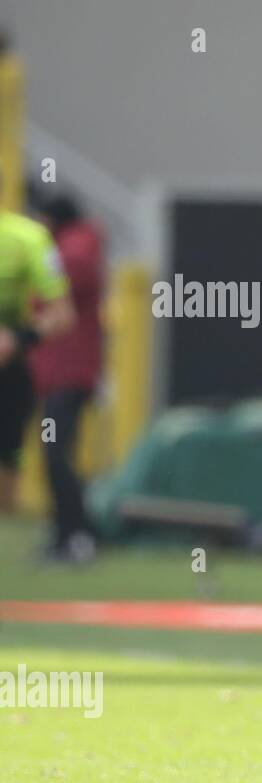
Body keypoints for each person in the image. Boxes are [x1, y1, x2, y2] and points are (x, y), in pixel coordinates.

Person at [27, 192, 104, 561]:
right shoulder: (69, 249)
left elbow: (49, 286)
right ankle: (67, 533)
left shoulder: (74, 252)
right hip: (60, 374)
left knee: (57, 455)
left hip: (69, 375)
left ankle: (76, 535)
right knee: (55, 455)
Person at [0, 175, 75, 514]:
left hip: (8, 372)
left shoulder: (28, 238)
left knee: (8, 462)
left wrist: (17, 339)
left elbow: (62, 314)